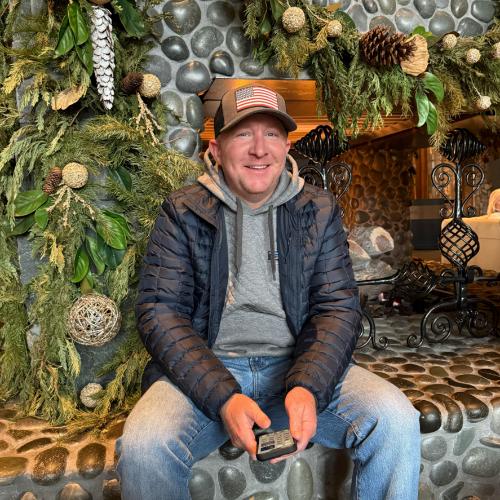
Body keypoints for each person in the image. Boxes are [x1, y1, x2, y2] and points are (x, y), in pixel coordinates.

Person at [116, 84, 421, 499]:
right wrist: (223, 396)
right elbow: (159, 312)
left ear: (287, 145)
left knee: (396, 419)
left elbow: (337, 309)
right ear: (216, 148)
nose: (259, 149)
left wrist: (308, 385)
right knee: (143, 447)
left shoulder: (318, 209)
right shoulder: (182, 210)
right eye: (243, 134)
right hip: (209, 371)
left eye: (272, 134)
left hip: (298, 367)